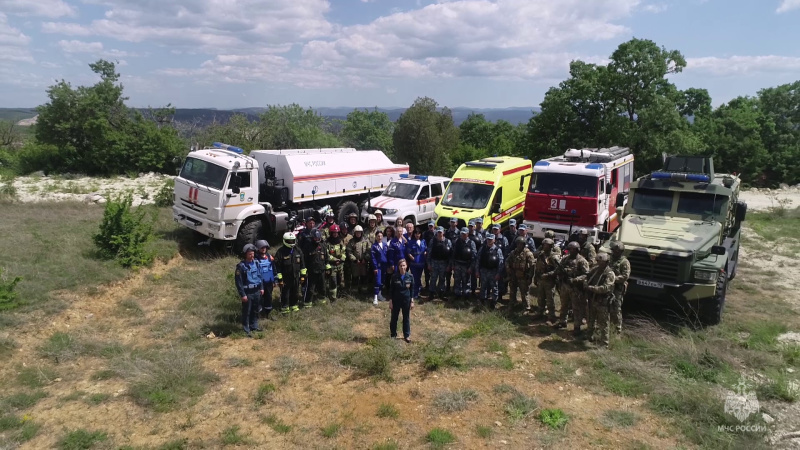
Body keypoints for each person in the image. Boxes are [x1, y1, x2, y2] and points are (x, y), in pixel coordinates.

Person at [557, 241, 590, 334]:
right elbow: (558, 270)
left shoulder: (582, 261)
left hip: (575, 288)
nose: (571, 251)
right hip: (565, 286)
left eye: (573, 249)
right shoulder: (565, 259)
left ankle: (577, 326)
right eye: (570, 249)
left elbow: (586, 275)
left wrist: (575, 280)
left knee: (576, 307)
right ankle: (562, 322)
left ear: (577, 250)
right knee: (564, 305)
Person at [584, 252, 616, 347]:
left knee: (603, 323)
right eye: (598, 261)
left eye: (601, 262)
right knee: (590, 319)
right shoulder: (595, 270)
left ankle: (604, 343)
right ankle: (589, 336)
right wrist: (585, 283)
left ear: (606, 262)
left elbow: (605, 288)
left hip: (603, 302)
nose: (599, 263)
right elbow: (587, 276)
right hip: (593, 299)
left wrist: (590, 288)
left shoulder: (610, 274)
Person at [235, 244, 263, 337]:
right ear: (245, 254)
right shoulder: (241, 266)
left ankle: (254, 326)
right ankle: (246, 329)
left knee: (255, 309)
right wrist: (243, 294)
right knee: (247, 311)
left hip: (256, 291)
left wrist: (261, 288)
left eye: (253, 254)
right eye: (250, 254)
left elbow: (260, 276)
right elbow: (239, 282)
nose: (252, 256)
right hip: (248, 292)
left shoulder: (256, 263)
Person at [275, 232, 307, 314]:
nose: (291, 243)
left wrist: (303, 275)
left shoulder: (298, 250)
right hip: (285, 277)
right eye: (289, 241)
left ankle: (294, 305)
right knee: (285, 293)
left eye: (292, 241)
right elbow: (277, 267)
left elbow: (302, 264)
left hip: (296, 276)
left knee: (295, 291)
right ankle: (285, 307)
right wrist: (280, 279)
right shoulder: (280, 252)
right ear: (285, 241)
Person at [533, 238, 561, 323]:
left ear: (551, 246)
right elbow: (537, 266)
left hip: (550, 281)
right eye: (544, 245)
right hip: (541, 279)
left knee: (550, 300)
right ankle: (540, 313)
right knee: (540, 298)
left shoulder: (554, 256)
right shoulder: (541, 255)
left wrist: (548, 274)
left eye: (547, 245)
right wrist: (535, 277)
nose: (545, 247)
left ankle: (551, 317)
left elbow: (558, 269)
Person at [474, 233, 504, 309]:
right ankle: (483, 300)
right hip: (484, 271)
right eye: (488, 239)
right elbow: (478, 260)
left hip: (493, 272)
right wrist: (477, 271)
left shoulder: (498, 250)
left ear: (494, 240)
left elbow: (501, 263)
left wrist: (498, 273)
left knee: (494, 287)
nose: (489, 241)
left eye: (490, 240)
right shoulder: (482, 249)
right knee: (483, 286)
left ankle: (494, 301)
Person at [389, 258, 414, 343]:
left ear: (406, 266)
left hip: (406, 300)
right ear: (398, 267)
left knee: (406, 318)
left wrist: (412, 301)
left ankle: (406, 335)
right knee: (394, 318)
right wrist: (391, 301)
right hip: (396, 300)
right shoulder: (394, 277)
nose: (402, 267)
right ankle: (393, 335)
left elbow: (412, 290)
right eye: (401, 266)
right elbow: (391, 290)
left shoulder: (410, 276)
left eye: (404, 265)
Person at [507, 237, 536, 309]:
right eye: (518, 244)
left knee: (524, 293)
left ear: (524, 244)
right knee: (512, 291)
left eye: (521, 244)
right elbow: (507, 260)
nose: (519, 245)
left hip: (523, 277)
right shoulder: (514, 252)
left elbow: (532, 266)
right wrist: (508, 268)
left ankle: (526, 307)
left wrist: (530, 277)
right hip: (514, 275)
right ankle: (512, 304)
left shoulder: (528, 253)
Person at [608, 241, 630, 334]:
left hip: (617, 288)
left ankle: (617, 329)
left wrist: (612, 279)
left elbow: (625, 276)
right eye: (614, 251)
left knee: (616, 309)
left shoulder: (624, 262)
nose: (615, 253)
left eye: (617, 251)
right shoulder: (609, 259)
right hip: (607, 287)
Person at [304, 229, 330, 307]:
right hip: (312, 271)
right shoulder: (308, 246)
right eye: (315, 238)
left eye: (318, 238)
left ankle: (322, 301)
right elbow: (304, 259)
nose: (317, 239)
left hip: (321, 270)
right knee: (310, 289)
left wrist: (327, 267)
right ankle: (307, 303)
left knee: (322, 287)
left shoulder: (323, 246)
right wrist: (305, 270)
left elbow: (326, 257)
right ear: (312, 238)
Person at [427, 227, 452, 300]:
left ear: (443, 232)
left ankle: (441, 293)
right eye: (438, 232)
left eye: (440, 232)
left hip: (443, 263)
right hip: (434, 262)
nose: (439, 233)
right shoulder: (433, 241)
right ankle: (431, 293)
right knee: (433, 278)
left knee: (442, 278)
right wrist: (429, 263)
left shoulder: (448, 241)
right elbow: (429, 253)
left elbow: (450, 254)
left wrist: (449, 265)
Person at [255, 240, 277, 320]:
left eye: (265, 247)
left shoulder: (269, 257)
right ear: (258, 248)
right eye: (261, 247)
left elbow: (273, 269)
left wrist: (275, 280)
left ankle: (268, 313)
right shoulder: (255, 258)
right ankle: (259, 315)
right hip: (259, 283)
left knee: (269, 297)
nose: (263, 249)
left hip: (269, 282)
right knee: (259, 299)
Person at [346, 225, 371, 296]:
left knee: (364, 277)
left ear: (362, 233)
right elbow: (349, 252)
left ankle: (364, 291)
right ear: (354, 233)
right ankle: (355, 292)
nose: (358, 234)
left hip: (364, 263)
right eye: (357, 232)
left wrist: (365, 259)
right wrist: (354, 260)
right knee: (355, 277)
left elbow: (369, 250)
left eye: (359, 232)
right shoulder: (351, 241)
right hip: (355, 264)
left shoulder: (366, 240)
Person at [452, 227, 476, 299]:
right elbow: (453, 253)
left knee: (466, 281)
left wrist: (471, 267)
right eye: (462, 234)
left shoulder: (471, 243)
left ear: (467, 234)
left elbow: (474, 256)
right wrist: (453, 264)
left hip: (466, 265)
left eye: (464, 234)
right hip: (458, 264)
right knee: (457, 280)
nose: (463, 235)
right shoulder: (457, 242)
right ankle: (457, 294)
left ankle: (466, 294)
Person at [326, 224, 346, 300]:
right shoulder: (327, 243)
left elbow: (344, 251)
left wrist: (341, 259)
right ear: (331, 233)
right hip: (332, 265)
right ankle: (333, 297)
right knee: (333, 281)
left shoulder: (340, 241)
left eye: (336, 232)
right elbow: (326, 254)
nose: (335, 234)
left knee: (341, 281)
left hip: (340, 265)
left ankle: (341, 295)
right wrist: (334, 260)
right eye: (334, 232)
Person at [406, 228, 427, 301]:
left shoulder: (423, 241)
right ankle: (414, 294)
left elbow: (426, 249)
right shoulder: (411, 242)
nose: (417, 235)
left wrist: (425, 253)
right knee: (415, 278)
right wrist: (412, 258)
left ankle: (418, 290)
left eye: (418, 233)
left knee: (419, 277)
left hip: (421, 262)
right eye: (416, 233)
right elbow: (408, 252)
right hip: (414, 263)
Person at [371, 231, 389, 305]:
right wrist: (375, 267)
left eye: (381, 236)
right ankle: (375, 297)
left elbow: (387, 255)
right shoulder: (374, 246)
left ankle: (379, 294)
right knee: (377, 281)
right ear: (376, 237)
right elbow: (373, 258)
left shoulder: (385, 245)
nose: (380, 237)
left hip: (384, 266)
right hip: (378, 266)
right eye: (378, 236)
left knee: (382, 281)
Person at [422, 222, 436, 291]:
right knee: (426, 270)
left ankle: (433, 286)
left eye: (432, 226)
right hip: (427, 253)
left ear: (434, 226)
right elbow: (423, 242)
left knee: (433, 271)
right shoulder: (425, 233)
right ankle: (427, 284)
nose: (430, 227)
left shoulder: (437, 233)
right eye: (429, 226)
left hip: (434, 254)